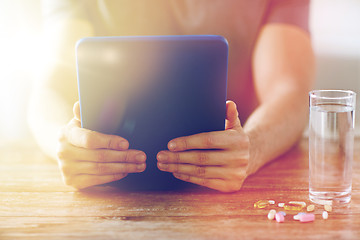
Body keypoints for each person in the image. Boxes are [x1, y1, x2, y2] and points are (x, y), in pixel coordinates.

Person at [28, 0, 315, 192]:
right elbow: (51, 88)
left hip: (229, 186)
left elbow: (289, 89)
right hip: (109, 190)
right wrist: (62, 142)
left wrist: (253, 146)